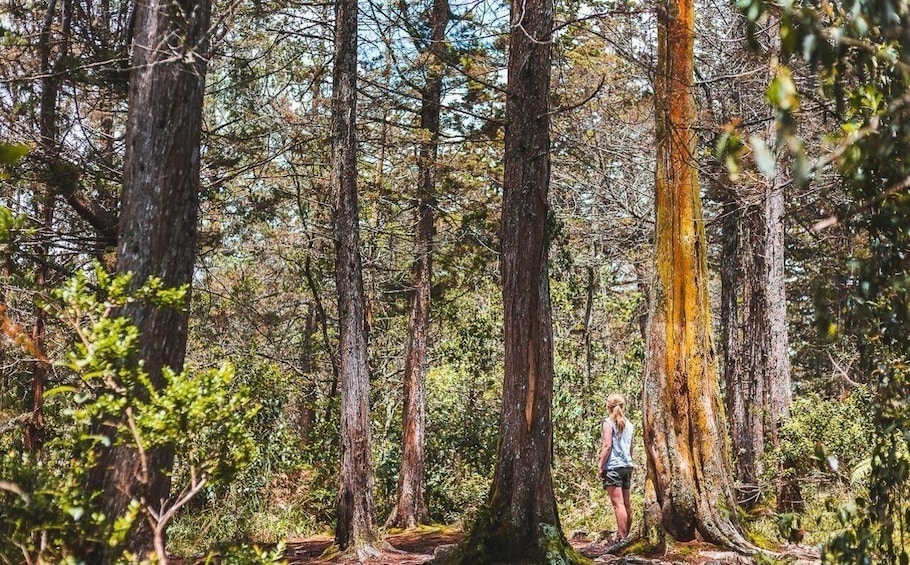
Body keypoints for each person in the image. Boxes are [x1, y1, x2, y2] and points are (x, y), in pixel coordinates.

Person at [598, 393, 633, 542]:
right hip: (627, 466)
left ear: (608, 406)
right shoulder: (629, 425)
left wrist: (601, 466)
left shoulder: (608, 422)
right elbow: (631, 447)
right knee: (626, 503)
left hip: (613, 467)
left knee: (618, 504)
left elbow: (607, 445)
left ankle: (621, 538)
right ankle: (625, 535)